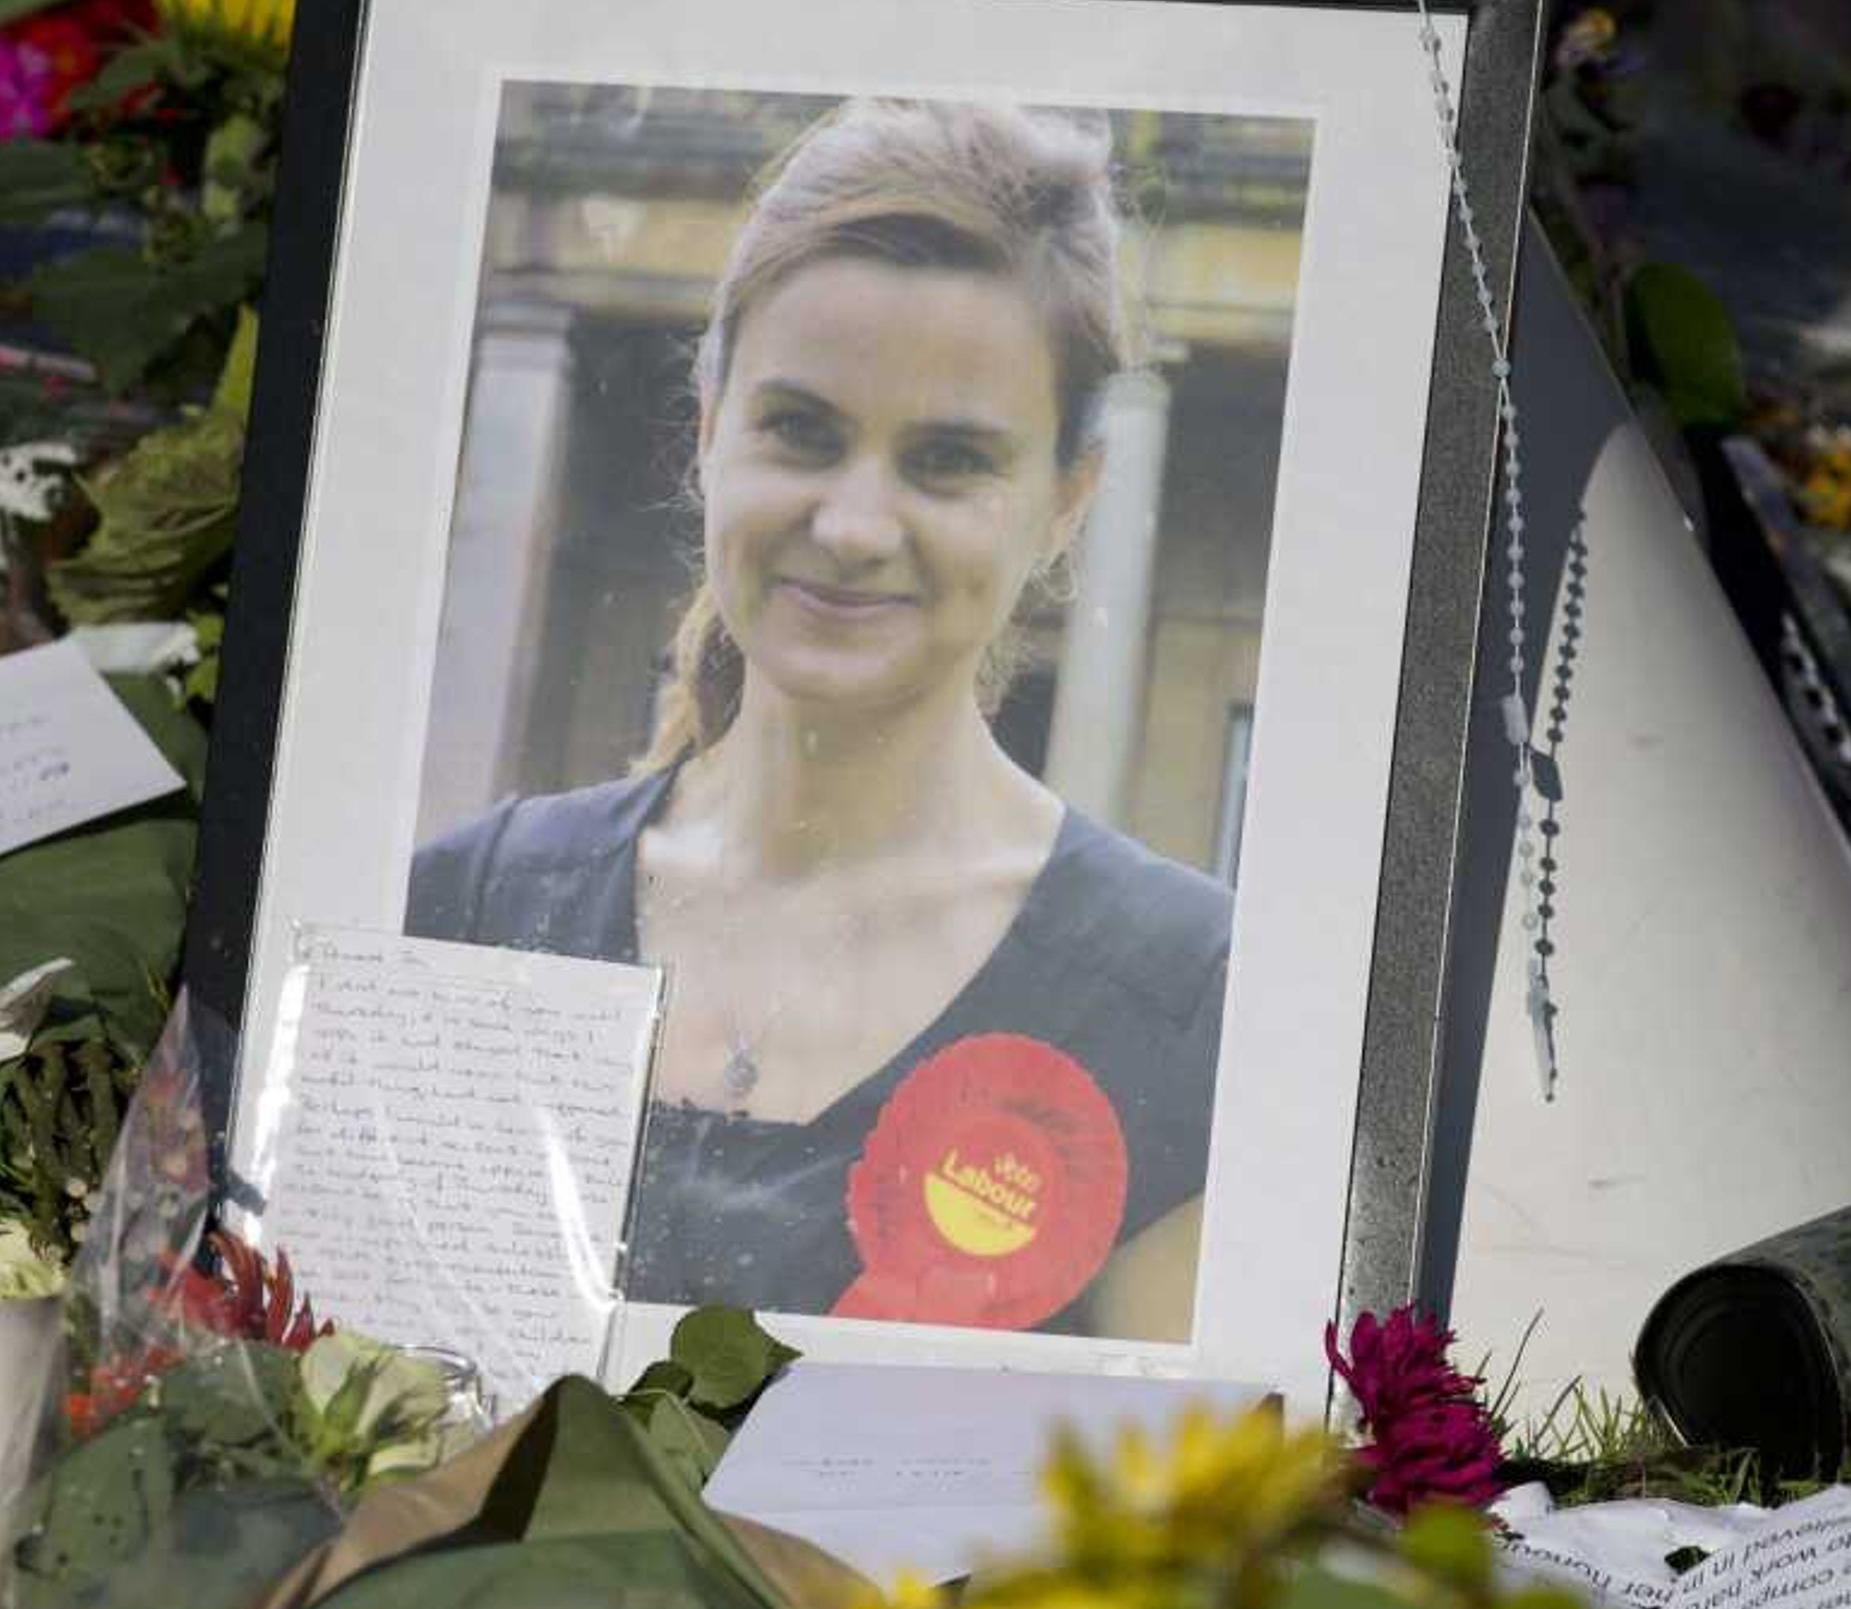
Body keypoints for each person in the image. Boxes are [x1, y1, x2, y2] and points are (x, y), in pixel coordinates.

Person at [407, 98, 1232, 1339]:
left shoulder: (1187, 995)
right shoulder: (470, 908)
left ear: (1067, 500)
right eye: (801, 429)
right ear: (708, 428)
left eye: (949, 459)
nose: (852, 525)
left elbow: (1166, 1516)